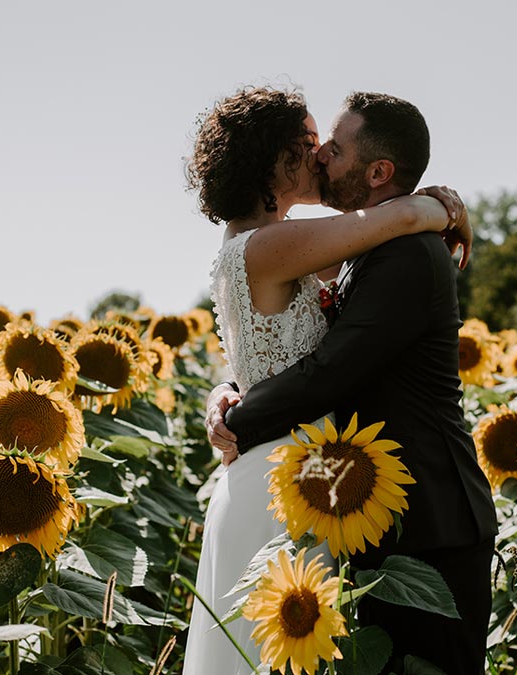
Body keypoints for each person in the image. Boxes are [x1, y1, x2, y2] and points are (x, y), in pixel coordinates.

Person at [181, 86, 471, 675]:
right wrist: (444, 207)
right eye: (310, 144)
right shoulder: (276, 244)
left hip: (295, 477)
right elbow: (403, 216)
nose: (318, 157)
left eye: (325, 146)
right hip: (286, 481)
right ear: (274, 161)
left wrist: (226, 396)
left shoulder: (267, 243)